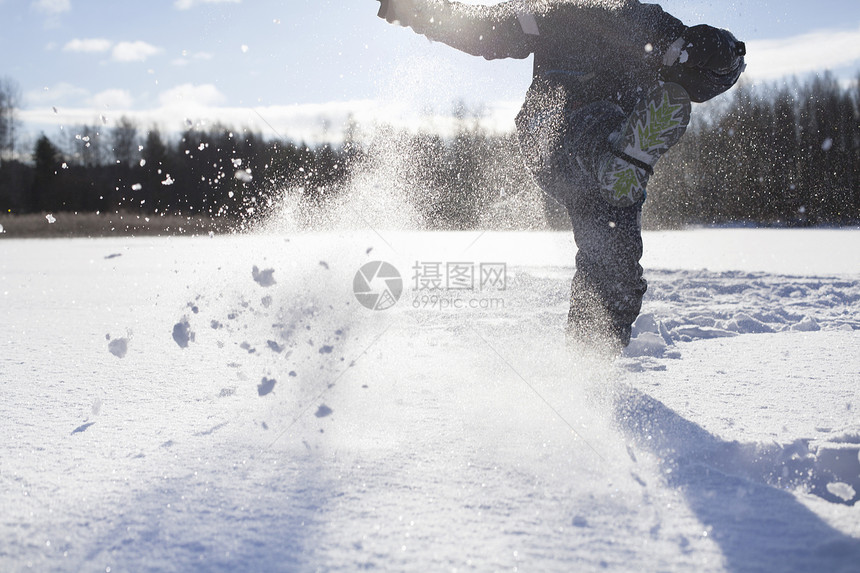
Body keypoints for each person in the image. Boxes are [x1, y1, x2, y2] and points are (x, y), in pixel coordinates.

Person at [376, 0, 746, 355]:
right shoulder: (556, 8)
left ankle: (589, 370)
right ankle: (613, 158)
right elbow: (482, 27)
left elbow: (703, 79)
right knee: (595, 128)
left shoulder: (652, 24)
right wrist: (416, 9)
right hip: (553, 132)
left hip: (612, 181)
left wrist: (722, 51)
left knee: (617, 272)